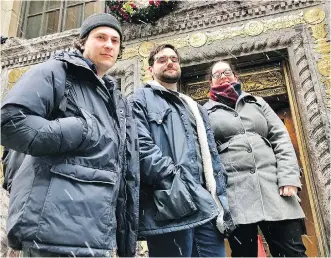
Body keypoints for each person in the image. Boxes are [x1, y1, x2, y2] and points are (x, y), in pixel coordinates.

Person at [1, 13, 139, 257]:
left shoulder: (115, 98)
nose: (108, 44)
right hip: (54, 232)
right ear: (83, 42)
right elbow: (11, 122)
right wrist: (80, 129)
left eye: (115, 41)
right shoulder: (56, 71)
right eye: (101, 37)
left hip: (98, 236)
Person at [131, 44, 235, 257]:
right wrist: (177, 183)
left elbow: (211, 156)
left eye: (174, 59)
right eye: (161, 60)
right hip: (170, 204)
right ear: (150, 69)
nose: (169, 62)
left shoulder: (195, 107)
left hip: (206, 204)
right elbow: (140, 149)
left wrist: (217, 194)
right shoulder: (138, 100)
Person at [203, 60, 307, 257]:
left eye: (227, 72)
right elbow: (207, 155)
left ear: (236, 77)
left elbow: (280, 138)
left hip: (275, 186)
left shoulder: (257, 102)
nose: (223, 76)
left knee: (292, 252)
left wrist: (289, 178)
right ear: (210, 82)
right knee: (244, 253)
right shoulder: (205, 113)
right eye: (217, 74)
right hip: (235, 193)